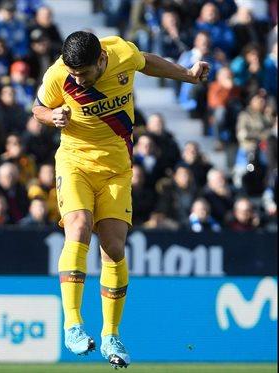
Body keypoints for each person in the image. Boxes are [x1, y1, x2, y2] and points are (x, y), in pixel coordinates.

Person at [31, 30, 209, 367]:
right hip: (75, 163)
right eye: (74, 74)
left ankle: (111, 334)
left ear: (100, 60)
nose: (78, 80)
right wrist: (50, 116)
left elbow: (147, 63)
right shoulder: (59, 74)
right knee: (79, 227)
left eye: (84, 73)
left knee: (113, 247)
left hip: (116, 169)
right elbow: (37, 107)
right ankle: (72, 324)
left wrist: (186, 75)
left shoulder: (121, 53)